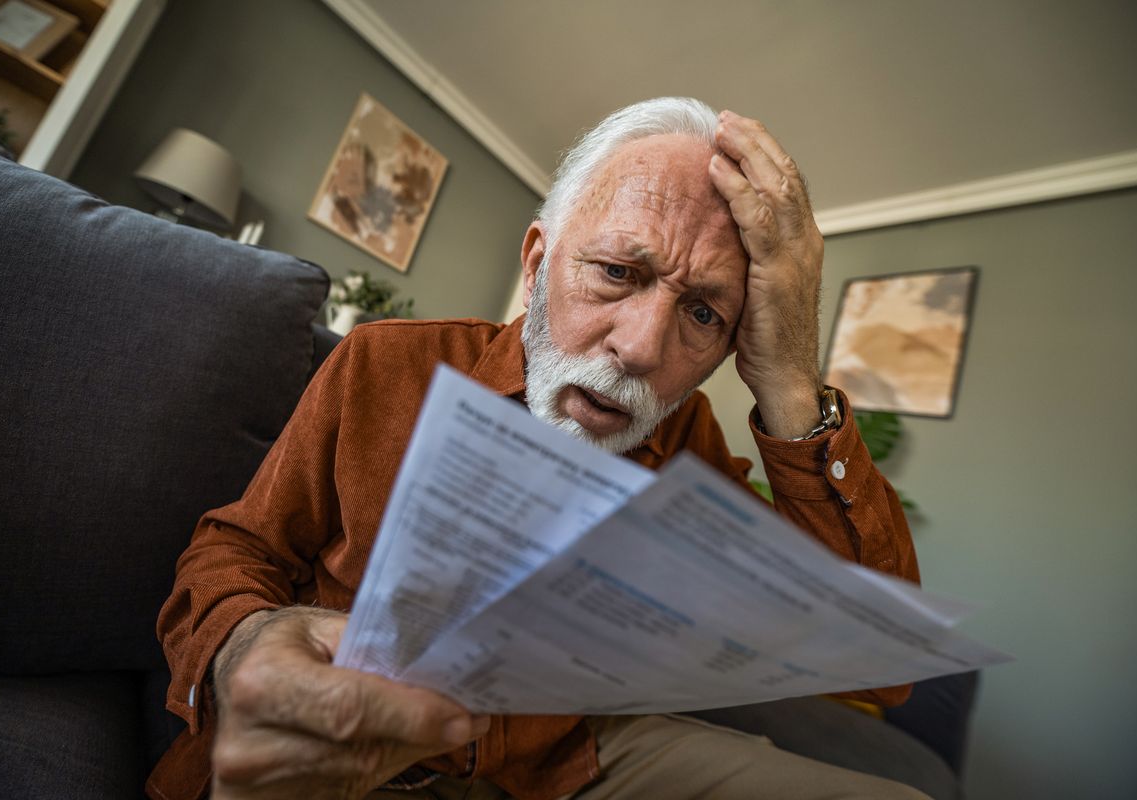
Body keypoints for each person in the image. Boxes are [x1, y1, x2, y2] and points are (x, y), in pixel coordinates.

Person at [147, 97, 924, 800]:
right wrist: (250, 643)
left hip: (561, 757)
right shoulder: (387, 364)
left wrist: (791, 380)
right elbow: (234, 549)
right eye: (618, 272)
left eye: (702, 314)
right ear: (536, 262)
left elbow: (877, 669)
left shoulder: (688, 441)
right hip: (370, 746)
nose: (642, 348)